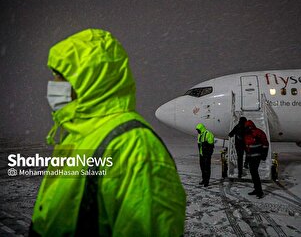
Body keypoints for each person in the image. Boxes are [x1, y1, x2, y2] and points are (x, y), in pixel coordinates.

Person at [30, 29, 186, 236]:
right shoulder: (80, 135)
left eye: (61, 77)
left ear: (89, 80)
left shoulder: (134, 147)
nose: (54, 85)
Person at [244, 120, 269, 198]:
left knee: (255, 174)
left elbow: (265, 144)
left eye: (247, 127)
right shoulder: (247, 134)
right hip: (250, 156)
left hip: (256, 157)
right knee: (253, 173)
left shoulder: (258, 132)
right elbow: (247, 148)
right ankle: (256, 189)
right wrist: (246, 160)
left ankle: (259, 192)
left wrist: (264, 154)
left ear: (250, 127)